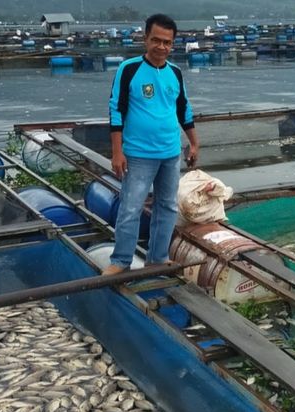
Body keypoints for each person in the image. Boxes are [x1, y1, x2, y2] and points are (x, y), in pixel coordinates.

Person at [104, 13, 199, 275]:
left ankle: (157, 257)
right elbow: (116, 110)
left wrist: (193, 143)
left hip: (170, 152)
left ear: (173, 44)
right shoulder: (130, 69)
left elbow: (184, 109)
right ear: (145, 38)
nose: (161, 47)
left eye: (167, 42)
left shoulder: (176, 73)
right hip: (137, 155)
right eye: (156, 40)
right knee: (131, 207)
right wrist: (116, 152)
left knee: (167, 206)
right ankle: (120, 261)